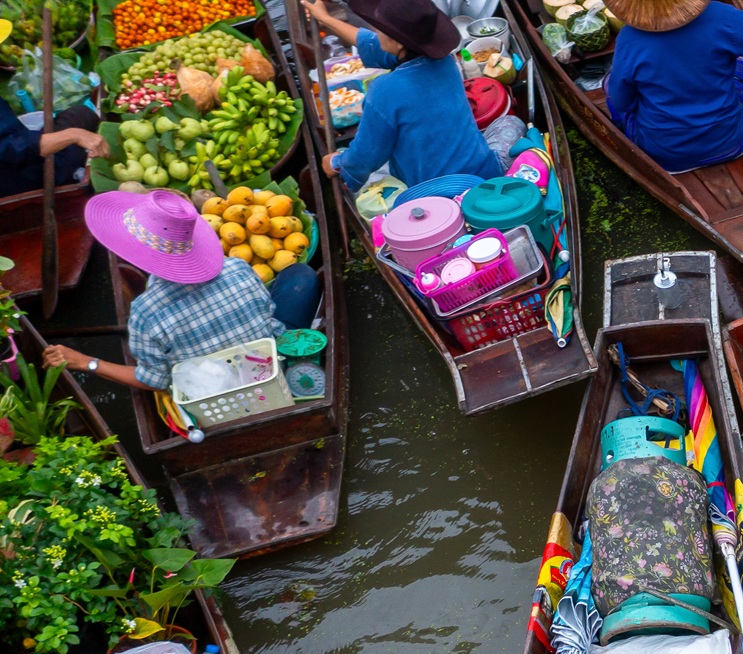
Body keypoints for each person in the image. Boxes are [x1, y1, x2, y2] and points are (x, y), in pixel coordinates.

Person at [43, 189, 317, 391]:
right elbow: (269, 324)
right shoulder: (237, 268)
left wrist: (85, 362)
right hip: (268, 374)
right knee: (300, 275)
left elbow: (155, 381)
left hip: (211, 398)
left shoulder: (145, 312)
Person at [302, 0, 508, 192]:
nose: (375, 31)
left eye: (379, 28)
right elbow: (374, 44)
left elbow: (363, 159)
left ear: (398, 42)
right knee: (511, 123)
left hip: (439, 193)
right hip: (484, 172)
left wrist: (335, 163)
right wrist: (327, 19)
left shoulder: (384, 90)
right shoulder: (446, 62)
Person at [602, 0, 743, 174]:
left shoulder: (628, 38)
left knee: (610, 82)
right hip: (728, 142)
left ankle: (622, 128)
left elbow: (622, 102)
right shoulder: (720, 15)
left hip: (664, 154)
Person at [0, 20, 107, 197]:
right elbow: (16, 149)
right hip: (19, 175)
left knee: (80, 115)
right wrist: (74, 135)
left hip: (19, 147)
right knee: (77, 150)